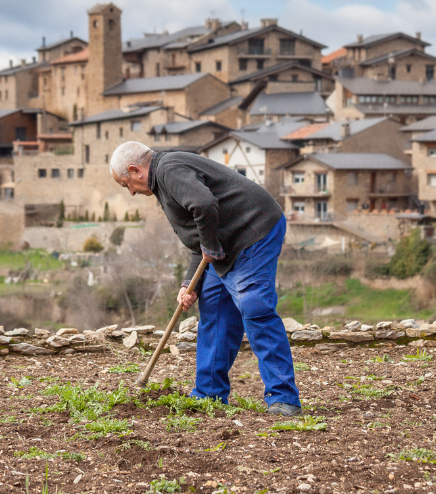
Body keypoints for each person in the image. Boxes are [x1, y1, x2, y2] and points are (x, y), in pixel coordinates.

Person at [110, 141, 301, 416]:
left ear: (135, 170)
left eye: (125, 183)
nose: (130, 192)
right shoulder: (163, 183)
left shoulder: (169, 170)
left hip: (254, 231)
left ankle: (284, 398)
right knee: (214, 308)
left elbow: (203, 204)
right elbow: (199, 239)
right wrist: (190, 283)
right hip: (226, 244)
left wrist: (210, 247)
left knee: (254, 306)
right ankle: (209, 394)